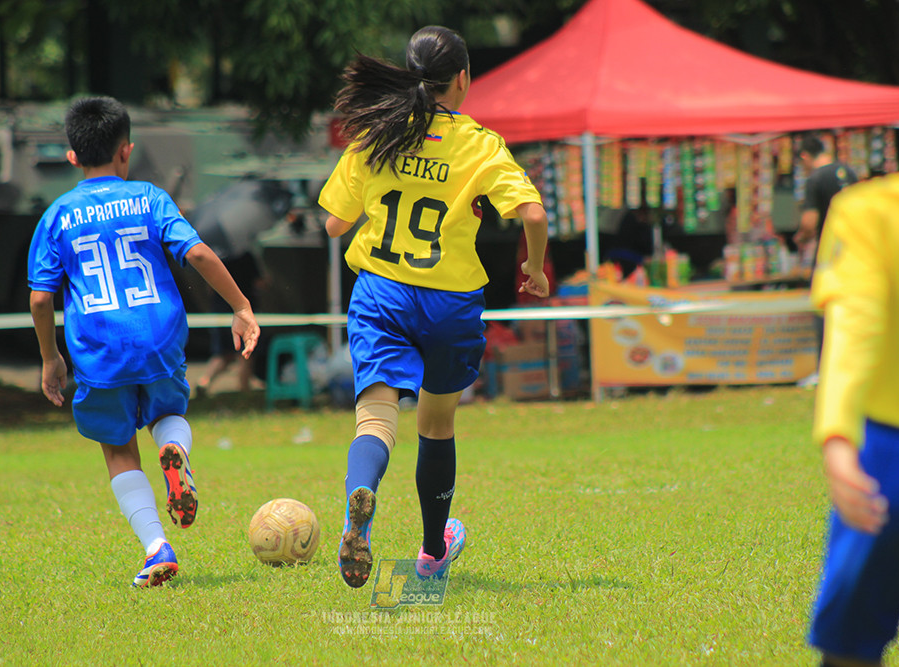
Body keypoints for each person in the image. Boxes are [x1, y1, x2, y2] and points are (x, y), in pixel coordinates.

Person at [318, 25, 549, 588]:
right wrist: (535, 269)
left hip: (382, 292)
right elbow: (533, 215)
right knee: (437, 424)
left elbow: (333, 225)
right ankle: (430, 553)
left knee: (375, 417)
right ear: (464, 78)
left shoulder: (376, 135)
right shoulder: (479, 143)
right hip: (450, 303)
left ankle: (361, 498)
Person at [27, 96, 260, 587]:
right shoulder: (150, 198)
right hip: (158, 337)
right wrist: (240, 306)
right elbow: (196, 253)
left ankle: (157, 547)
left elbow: (42, 301)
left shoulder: (56, 216)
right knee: (167, 414)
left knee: (117, 448)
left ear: (72, 156)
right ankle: (174, 450)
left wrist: (51, 358)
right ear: (125, 151)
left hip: (98, 348)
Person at [806, 165, 899, 666]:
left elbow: (853, 330)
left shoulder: (867, 209)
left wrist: (838, 436)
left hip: (892, 453)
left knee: (850, 648)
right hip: (890, 451)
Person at [794, 134, 857, 388]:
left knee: (824, 309)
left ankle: (825, 370)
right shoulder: (849, 172)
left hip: (830, 254)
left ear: (805, 157)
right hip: (856, 250)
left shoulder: (815, 178)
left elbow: (810, 221)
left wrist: (800, 238)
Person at [195, 251, 263, 397]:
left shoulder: (216, 255)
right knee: (246, 352)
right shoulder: (246, 255)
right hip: (242, 312)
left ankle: (204, 381)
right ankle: (244, 390)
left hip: (220, 311)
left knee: (222, 354)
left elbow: (209, 288)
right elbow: (259, 282)